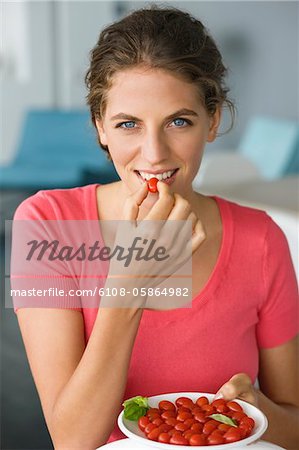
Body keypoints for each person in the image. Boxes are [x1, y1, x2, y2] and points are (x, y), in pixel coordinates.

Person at [12, 4, 298, 449]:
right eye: (128, 125)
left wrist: (255, 411)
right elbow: (71, 440)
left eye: (178, 121)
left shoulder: (261, 238)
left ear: (214, 120)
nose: (154, 154)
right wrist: (130, 282)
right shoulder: (48, 223)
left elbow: (293, 424)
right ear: (100, 128)